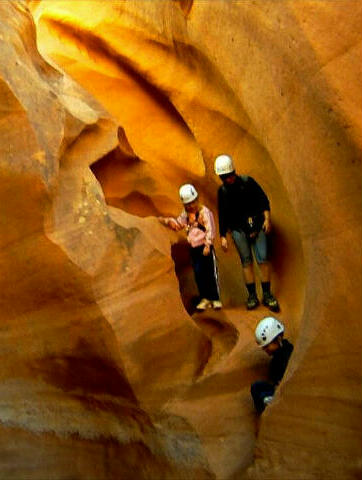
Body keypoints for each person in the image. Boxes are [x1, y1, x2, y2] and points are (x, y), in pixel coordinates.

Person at [214, 153, 279, 311]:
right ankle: (252, 296)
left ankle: (267, 294)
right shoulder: (222, 192)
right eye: (224, 177)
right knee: (246, 262)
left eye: (228, 175)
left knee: (263, 259)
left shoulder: (248, 182)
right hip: (238, 230)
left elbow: (263, 200)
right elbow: (222, 215)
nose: (227, 179)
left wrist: (267, 219)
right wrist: (223, 235)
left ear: (233, 172)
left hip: (257, 225)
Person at [158, 184, 222, 311]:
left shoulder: (204, 212)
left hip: (204, 247)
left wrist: (208, 245)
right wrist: (167, 221)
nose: (190, 206)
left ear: (197, 200)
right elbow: (178, 224)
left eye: (192, 203)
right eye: (187, 204)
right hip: (194, 248)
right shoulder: (186, 215)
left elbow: (211, 229)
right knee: (199, 274)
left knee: (210, 273)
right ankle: (205, 298)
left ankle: (215, 298)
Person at [251, 316, 293, 413]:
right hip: (278, 388)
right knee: (256, 386)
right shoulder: (278, 355)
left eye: (267, 346)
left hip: (286, 391)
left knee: (262, 395)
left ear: (278, 339)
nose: (265, 350)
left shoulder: (287, 354)